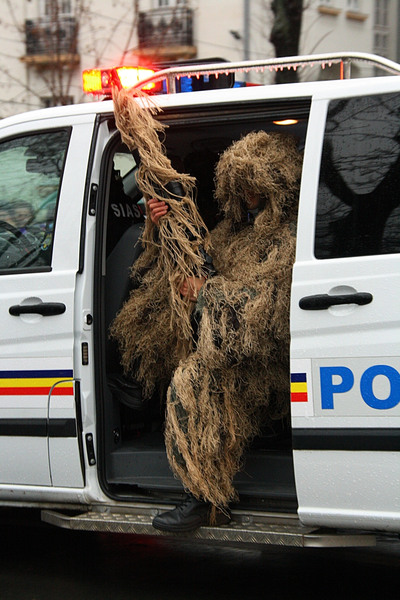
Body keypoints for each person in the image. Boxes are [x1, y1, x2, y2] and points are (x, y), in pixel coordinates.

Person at [130, 131, 302, 533]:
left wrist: (206, 292)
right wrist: (161, 225)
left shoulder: (287, 239)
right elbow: (196, 259)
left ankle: (206, 497)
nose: (247, 194)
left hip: (264, 363)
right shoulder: (229, 232)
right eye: (240, 186)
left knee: (193, 380)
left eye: (254, 185)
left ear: (275, 183)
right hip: (226, 347)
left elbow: (265, 311)